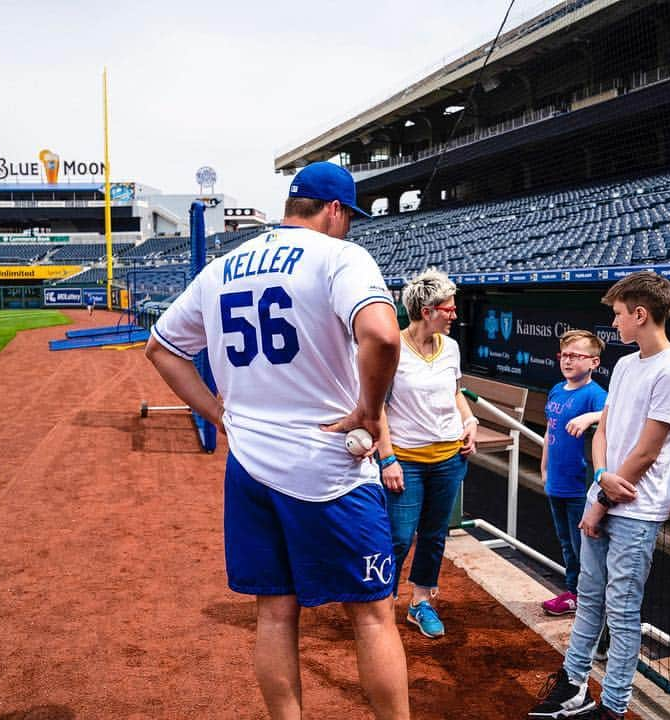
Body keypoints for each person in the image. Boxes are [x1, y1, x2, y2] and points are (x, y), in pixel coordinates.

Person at [145, 161, 409, 720]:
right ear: (334, 210)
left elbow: (162, 349)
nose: (349, 227)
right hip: (329, 469)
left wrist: (218, 414)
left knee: (274, 614)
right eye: (349, 217)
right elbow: (384, 335)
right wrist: (369, 410)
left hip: (249, 466)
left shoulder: (222, 267)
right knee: (371, 615)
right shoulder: (340, 256)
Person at [528, 271, 670, 720]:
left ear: (641, 314)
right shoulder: (625, 365)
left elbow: (647, 450)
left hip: (636, 510)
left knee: (621, 614)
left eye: (619, 315)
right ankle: (573, 686)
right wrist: (600, 477)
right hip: (603, 494)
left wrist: (602, 498)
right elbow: (604, 430)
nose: (615, 323)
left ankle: (614, 707)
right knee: (588, 598)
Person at [376, 268, 477, 639]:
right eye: (448, 309)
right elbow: (377, 407)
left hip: (450, 458)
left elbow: (454, 393)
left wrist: (470, 421)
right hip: (406, 461)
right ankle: (381, 601)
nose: (454, 315)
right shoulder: (392, 349)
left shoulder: (450, 347)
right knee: (400, 536)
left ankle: (420, 603)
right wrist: (387, 458)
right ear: (426, 310)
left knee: (434, 535)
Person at [540, 330, 606, 617]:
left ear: (594, 362)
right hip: (556, 481)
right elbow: (549, 430)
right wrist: (543, 466)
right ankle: (573, 593)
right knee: (566, 543)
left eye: (576, 356)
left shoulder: (595, 394)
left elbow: (613, 413)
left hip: (580, 487)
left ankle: (591, 601)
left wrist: (592, 416)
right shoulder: (556, 389)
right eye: (564, 355)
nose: (567, 361)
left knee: (584, 548)